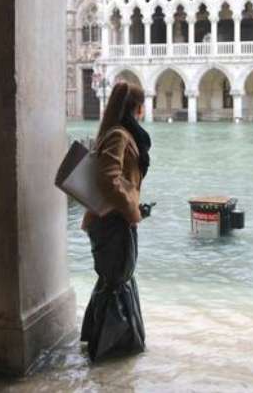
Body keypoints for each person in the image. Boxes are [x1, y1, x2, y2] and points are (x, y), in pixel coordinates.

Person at [80, 81, 152, 362]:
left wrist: (134, 206)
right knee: (116, 280)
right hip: (111, 221)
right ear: (136, 107)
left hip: (114, 218)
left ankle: (108, 342)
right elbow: (108, 178)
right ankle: (109, 349)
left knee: (115, 279)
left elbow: (121, 180)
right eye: (142, 104)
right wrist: (131, 211)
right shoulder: (120, 135)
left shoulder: (121, 133)